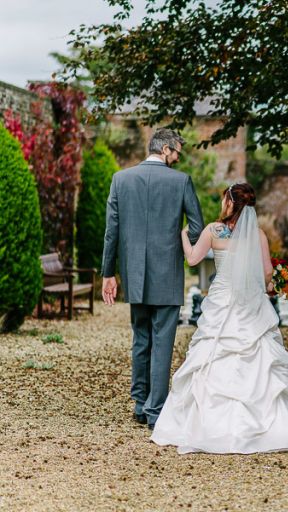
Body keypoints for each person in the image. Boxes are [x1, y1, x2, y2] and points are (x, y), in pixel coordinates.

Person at [150, 183, 288, 454]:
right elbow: (267, 274)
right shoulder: (258, 235)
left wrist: (184, 234)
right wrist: (276, 284)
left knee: (212, 353)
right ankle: (267, 425)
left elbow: (193, 259)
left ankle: (206, 426)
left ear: (229, 202)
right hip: (249, 302)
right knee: (259, 353)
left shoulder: (213, 230)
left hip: (222, 300)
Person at [102, 128, 205, 431]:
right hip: (167, 274)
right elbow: (196, 227)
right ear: (165, 149)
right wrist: (182, 245)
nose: (178, 158)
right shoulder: (181, 181)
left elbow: (111, 232)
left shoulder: (121, 179)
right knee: (162, 342)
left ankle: (139, 403)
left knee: (141, 338)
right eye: (176, 153)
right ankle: (155, 410)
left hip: (134, 274)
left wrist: (108, 273)